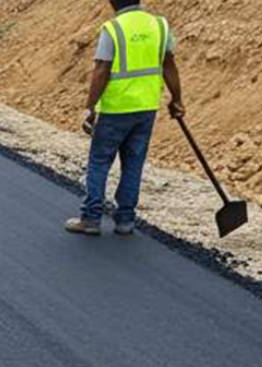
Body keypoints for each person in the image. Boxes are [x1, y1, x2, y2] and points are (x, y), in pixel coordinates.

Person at [66, 1, 184, 237]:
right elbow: (169, 65)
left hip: (116, 109)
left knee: (99, 161)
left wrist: (89, 108)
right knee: (133, 162)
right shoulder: (159, 25)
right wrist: (177, 99)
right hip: (146, 108)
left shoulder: (113, 29)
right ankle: (125, 220)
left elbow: (102, 70)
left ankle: (90, 218)